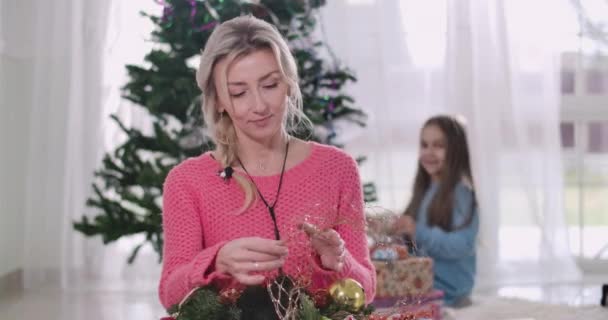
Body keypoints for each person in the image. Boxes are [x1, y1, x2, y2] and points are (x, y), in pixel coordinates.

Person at [158, 15, 376, 312]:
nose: (259, 105)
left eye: (270, 85)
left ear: (288, 83)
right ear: (219, 99)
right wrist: (216, 261)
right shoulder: (187, 181)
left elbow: (367, 289)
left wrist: (337, 262)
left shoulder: (337, 169)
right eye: (239, 92)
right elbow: (171, 293)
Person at [394, 115, 479, 308]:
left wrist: (417, 230)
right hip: (424, 281)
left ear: (456, 151)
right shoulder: (425, 189)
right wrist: (397, 233)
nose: (429, 152)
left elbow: (461, 245)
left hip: (450, 290)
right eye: (424, 145)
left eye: (438, 145)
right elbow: (416, 248)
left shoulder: (462, 193)